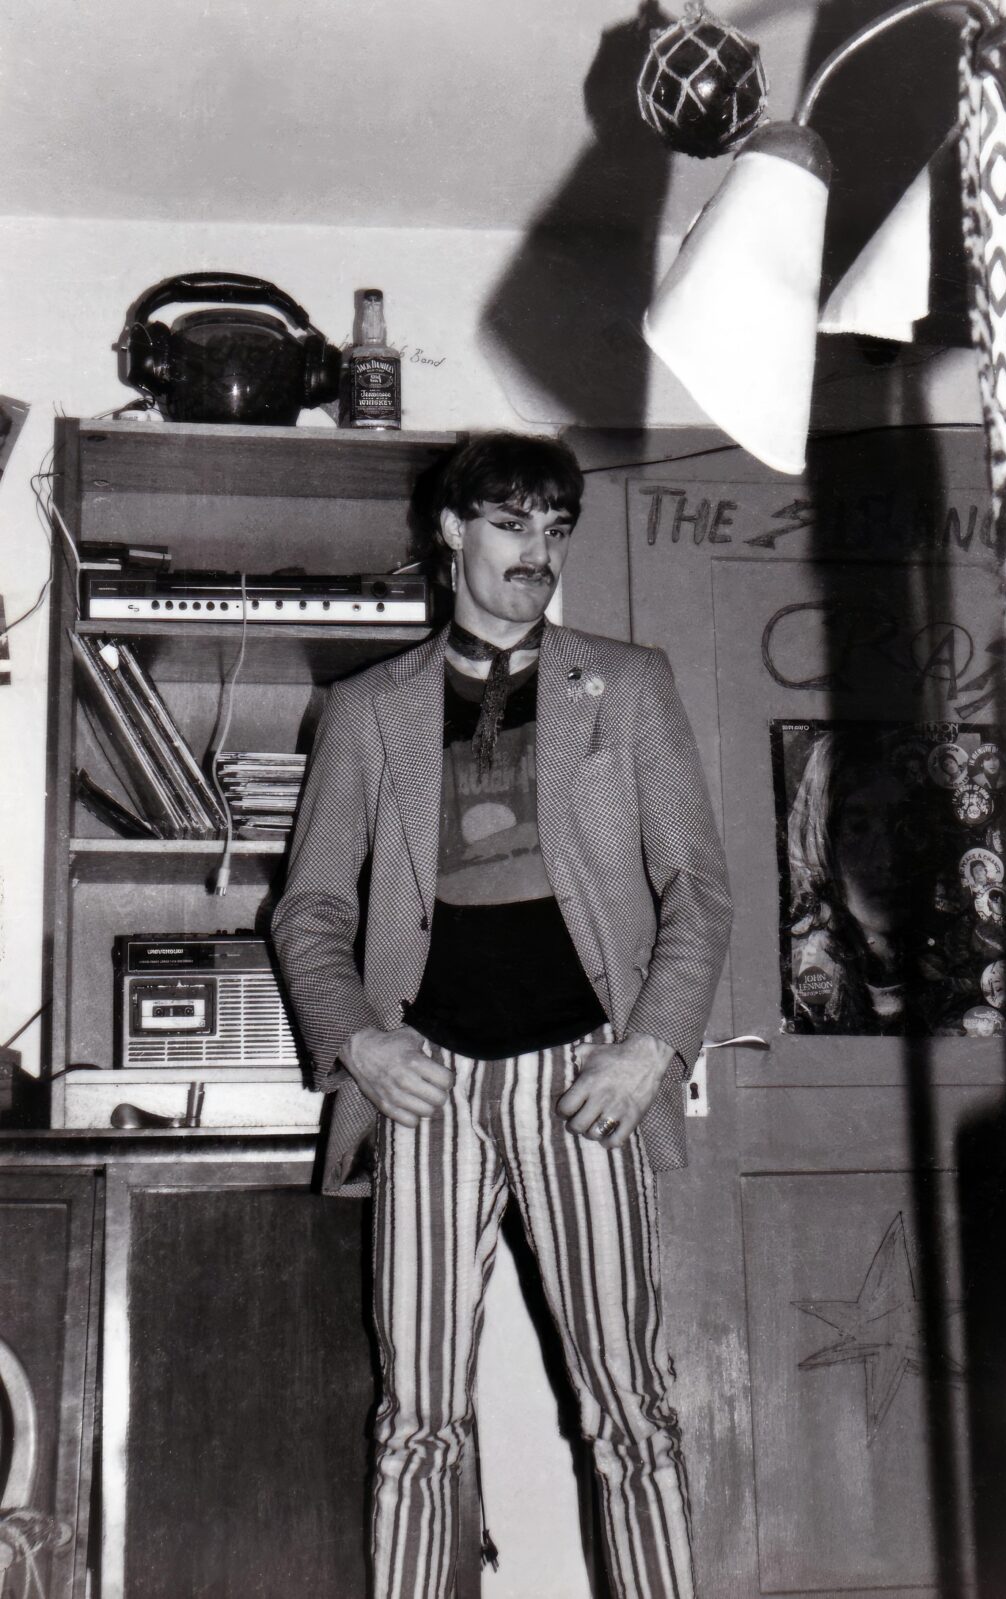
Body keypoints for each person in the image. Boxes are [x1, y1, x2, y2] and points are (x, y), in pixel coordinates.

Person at [272, 431, 732, 1599]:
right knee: (418, 1417)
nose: (538, 552)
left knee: (631, 1407)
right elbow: (312, 908)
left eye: (554, 527)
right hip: (422, 1083)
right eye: (511, 524)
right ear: (451, 531)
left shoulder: (627, 686)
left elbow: (700, 891)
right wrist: (361, 1043)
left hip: (585, 1083)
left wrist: (653, 1047)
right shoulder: (367, 710)